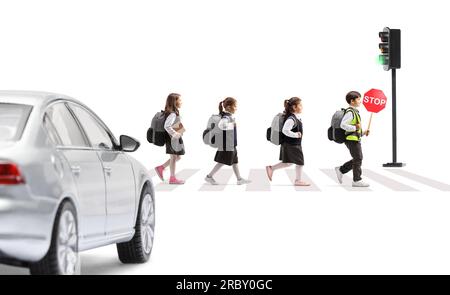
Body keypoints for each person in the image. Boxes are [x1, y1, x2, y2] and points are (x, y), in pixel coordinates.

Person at [205, 97, 251, 185]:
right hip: (227, 145)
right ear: (229, 107)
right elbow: (221, 125)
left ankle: (239, 179)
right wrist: (232, 124)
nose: (236, 108)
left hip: (231, 144)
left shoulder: (228, 116)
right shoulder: (226, 117)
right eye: (235, 106)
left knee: (234, 162)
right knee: (222, 162)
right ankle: (209, 176)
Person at [265, 97, 310, 186]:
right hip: (292, 145)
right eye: (300, 105)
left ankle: (271, 168)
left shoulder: (294, 117)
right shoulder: (291, 119)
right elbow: (285, 130)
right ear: (294, 107)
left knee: (288, 163)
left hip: (290, 144)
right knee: (300, 162)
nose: (302, 107)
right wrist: (296, 135)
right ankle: (298, 180)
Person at [334, 91, 370, 187]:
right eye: (358, 99)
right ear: (352, 101)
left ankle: (341, 170)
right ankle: (356, 180)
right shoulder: (350, 112)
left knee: (357, 158)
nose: (360, 101)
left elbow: (355, 129)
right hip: (351, 139)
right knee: (358, 158)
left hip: (354, 138)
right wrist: (355, 128)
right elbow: (343, 125)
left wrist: (363, 132)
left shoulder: (355, 112)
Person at [155, 93, 186, 185]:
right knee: (173, 157)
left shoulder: (173, 112)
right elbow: (167, 126)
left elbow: (174, 124)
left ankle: (161, 168)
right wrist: (175, 134)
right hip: (172, 139)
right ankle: (172, 178)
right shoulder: (172, 114)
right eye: (179, 100)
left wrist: (180, 131)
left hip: (174, 138)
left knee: (178, 157)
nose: (181, 102)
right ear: (174, 102)